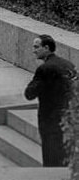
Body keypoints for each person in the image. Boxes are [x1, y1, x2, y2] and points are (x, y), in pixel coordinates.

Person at [24, 35, 77, 167]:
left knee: (50, 154)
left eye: (36, 47)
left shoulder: (44, 69)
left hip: (49, 119)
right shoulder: (68, 65)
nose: (34, 50)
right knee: (65, 154)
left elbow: (29, 94)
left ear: (46, 48)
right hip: (68, 118)